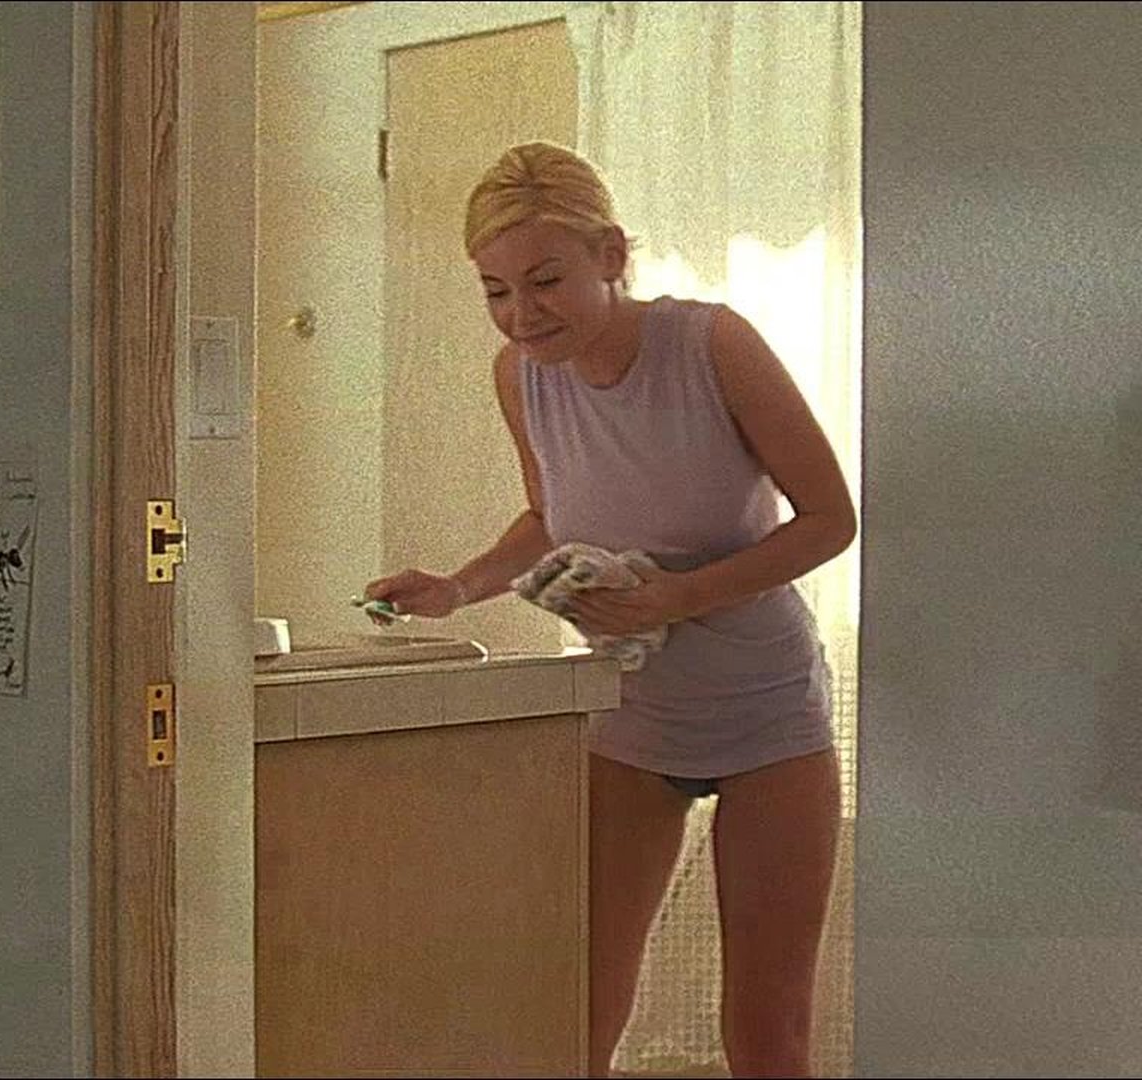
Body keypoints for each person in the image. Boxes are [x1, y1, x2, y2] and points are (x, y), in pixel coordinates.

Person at [364, 141, 857, 1078]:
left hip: (765, 710)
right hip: (631, 713)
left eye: (546, 281)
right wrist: (459, 588)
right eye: (496, 291)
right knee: (574, 1011)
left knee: (766, 1028)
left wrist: (680, 596)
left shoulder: (713, 344)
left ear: (613, 255)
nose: (522, 314)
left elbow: (832, 520)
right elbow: (550, 516)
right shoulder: (520, 375)